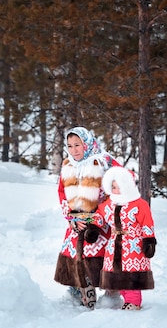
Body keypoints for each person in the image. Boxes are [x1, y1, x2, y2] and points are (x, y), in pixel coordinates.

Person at [53, 126, 120, 309]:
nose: (74, 150)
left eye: (77, 145)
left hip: (102, 222)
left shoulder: (104, 162)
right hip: (77, 221)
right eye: (70, 146)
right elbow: (62, 192)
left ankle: (112, 293)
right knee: (74, 253)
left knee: (104, 255)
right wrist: (71, 216)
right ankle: (80, 290)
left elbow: (117, 191)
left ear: (87, 143)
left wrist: (99, 215)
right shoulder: (68, 166)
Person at [90, 166, 157, 310]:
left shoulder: (139, 204)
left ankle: (133, 302)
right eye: (113, 187)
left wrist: (149, 240)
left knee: (131, 274)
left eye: (119, 186)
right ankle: (121, 297)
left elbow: (147, 222)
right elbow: (99, 215)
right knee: (116, 273)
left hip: (133, 245)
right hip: (114, 244)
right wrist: (94, 228)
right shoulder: (109, 204)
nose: (116, 190)